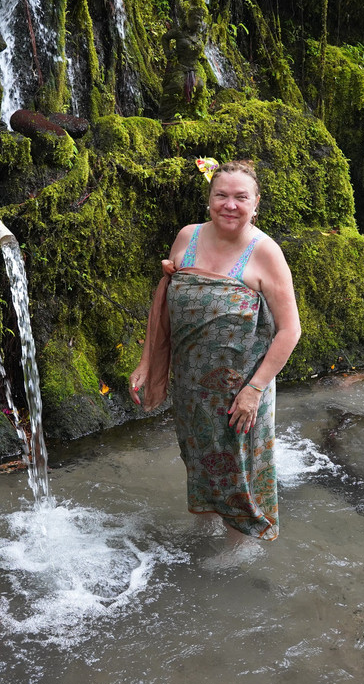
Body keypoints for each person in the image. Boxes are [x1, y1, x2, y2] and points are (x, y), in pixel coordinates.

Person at [128, 161, 301, 544]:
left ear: (256, 204)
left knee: (237, 472)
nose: (230, 205)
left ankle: (235, 553)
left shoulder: (265, 253)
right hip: (191, 386)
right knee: (198, 460)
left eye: (241, 197)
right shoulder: (186, 238)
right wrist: (148, 363)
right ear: (209, 201)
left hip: (240, 393)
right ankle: (203, 533)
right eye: (221, 195)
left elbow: (290, 330)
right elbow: (167, 305)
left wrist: (253, 392)